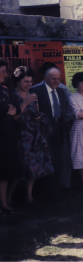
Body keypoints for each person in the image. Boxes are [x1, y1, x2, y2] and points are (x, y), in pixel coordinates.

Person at [8, 66, 53, 205]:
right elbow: (14, 118)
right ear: (17, 81)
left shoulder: (33, 94)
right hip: (21, 137)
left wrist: (39, 117)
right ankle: (8, 197)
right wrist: (25, 102)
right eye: (25, 81)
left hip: (34, 135)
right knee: (21, 170)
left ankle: (29, 196)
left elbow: (36, 112)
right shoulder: (12, 96)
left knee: (33, 168)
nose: (28, 84)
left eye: (30, 81)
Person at [29, 66, 73, 192]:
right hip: (44, 130)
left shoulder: (61, 92)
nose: (57, 82)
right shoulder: (36, 90)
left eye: (59, 79)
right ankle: (48, 189)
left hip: (60, 128)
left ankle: (62, 187)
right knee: (48, 160)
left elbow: (64, 110)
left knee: (63, 158)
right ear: (45, 78)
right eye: (54, 79)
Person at [0, 59, 19, 213]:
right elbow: (7, 108)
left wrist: (7, 109)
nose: (5, 74)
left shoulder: (5, 89)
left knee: (5, 171)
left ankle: (4, 202)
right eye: (3, 71)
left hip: (7, 136)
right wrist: (6, 109)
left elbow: (12, 109)